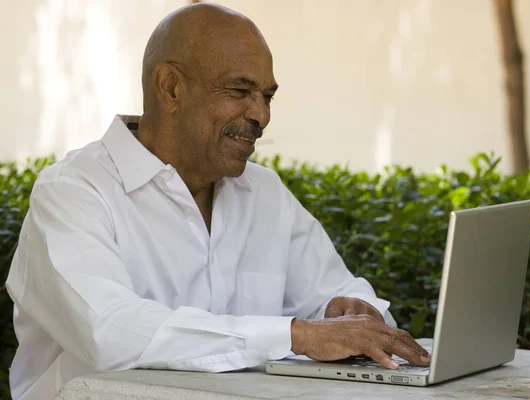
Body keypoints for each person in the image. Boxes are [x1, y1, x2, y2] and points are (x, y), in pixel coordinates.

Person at [6, 3, 430, 399]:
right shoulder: (73, 192)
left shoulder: (264, 193)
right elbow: (109, 331)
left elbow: (338, 290)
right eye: (239, 90)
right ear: (170, 88)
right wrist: (296, 334)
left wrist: (352, 313)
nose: (260, 115)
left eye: (267, 96)